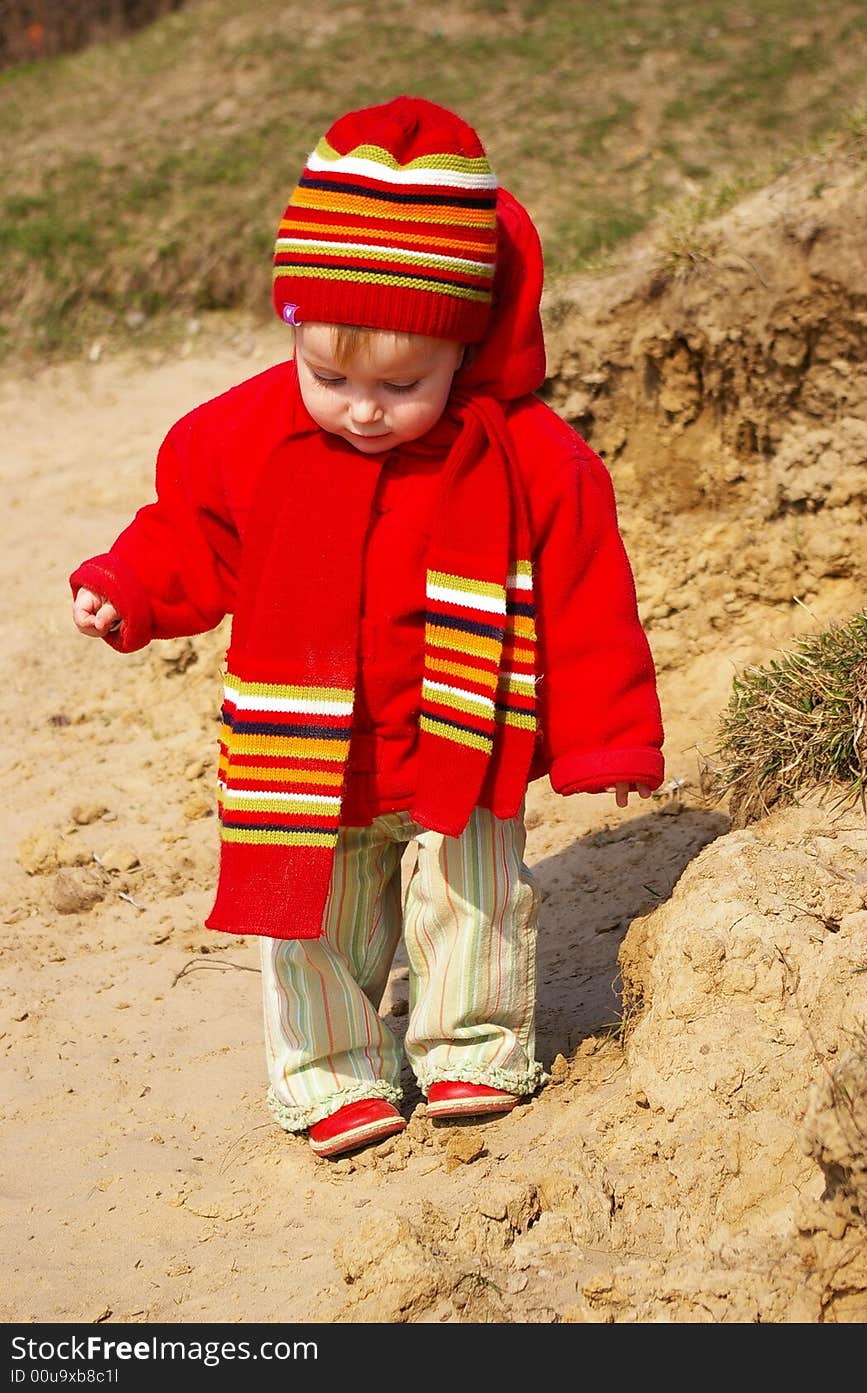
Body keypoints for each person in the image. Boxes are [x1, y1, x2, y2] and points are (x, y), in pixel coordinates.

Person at [71, 95, 664, 1161]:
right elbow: (193, 538)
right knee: (310, 916)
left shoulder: (528, 456)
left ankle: (471, 1046)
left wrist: (606, 737)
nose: (360, 407)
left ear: (466, 347)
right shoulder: (244, 435)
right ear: (293, 327)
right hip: (314, 754)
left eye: (402, 384)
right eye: (329, 375)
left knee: (474, 901)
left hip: (461, 732)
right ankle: (331, 1070)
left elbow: (585, 598)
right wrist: (128, 587)